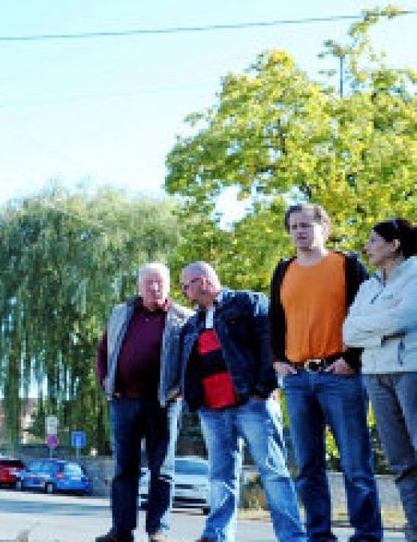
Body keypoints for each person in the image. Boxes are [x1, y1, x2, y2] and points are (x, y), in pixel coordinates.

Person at [269, 203, 383, 541]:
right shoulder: (284, 269)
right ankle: (319, 534)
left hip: (340, 375)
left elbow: (369, 313)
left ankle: (366, 535)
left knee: (355, 465)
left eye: (306, 225)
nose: (300, 231)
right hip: (298, 379)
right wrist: (277, 359)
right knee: (307, 466)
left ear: (324, 227)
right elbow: (274, 320)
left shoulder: (346, 265)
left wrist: (353, 359)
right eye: (294, 227)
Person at [179, 262, 307, 542]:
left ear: (201, 282)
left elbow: (270, 344)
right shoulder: (193, 322)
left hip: (252, 404)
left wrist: (264, 387)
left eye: (185, 285)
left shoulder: (249, 303)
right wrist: (193, 400)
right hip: (212, 410)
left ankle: (292, 537)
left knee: (273, 471)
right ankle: (217, 534)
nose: (182, 291)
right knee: (220, 475)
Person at [95, 262, 192, 542]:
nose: (154, 287)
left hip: (164, 403)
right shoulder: (121, 313)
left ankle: (158, 530)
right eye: (149, 282)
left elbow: (191, 361)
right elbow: (103, 351)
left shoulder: (182, 318)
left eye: (160, 282)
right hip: (124, 402)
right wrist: (105, 382)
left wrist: (180, 390)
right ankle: (122, 530)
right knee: (125, 468)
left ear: (169, 285)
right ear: (139, 286)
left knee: (163, 469)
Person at [344, 217, 417, 542]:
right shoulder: (368, 286)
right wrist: (380, 331)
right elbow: (348, 331)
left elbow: (404, 318)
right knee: (400, 461)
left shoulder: (415, 275)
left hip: (410, 371)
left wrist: (368, 329)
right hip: (375, 375)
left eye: (373, 240)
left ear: (394, 244)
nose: (366, 247)